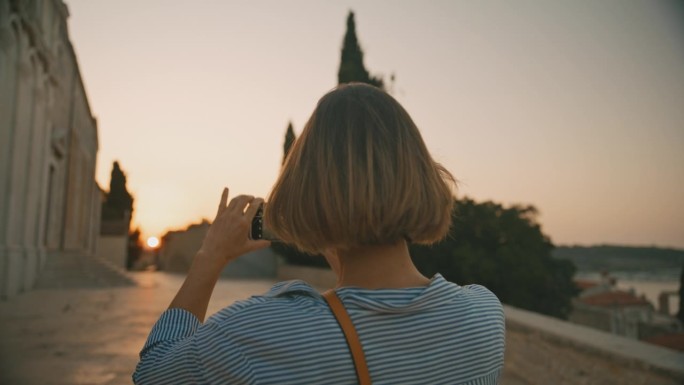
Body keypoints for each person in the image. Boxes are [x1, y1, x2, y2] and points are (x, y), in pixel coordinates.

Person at [133, 83, 505, 384]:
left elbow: (154, 374)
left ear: (305, 188)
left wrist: (209, 258)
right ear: (420, 176)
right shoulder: (483, 315)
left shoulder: (259, 334)